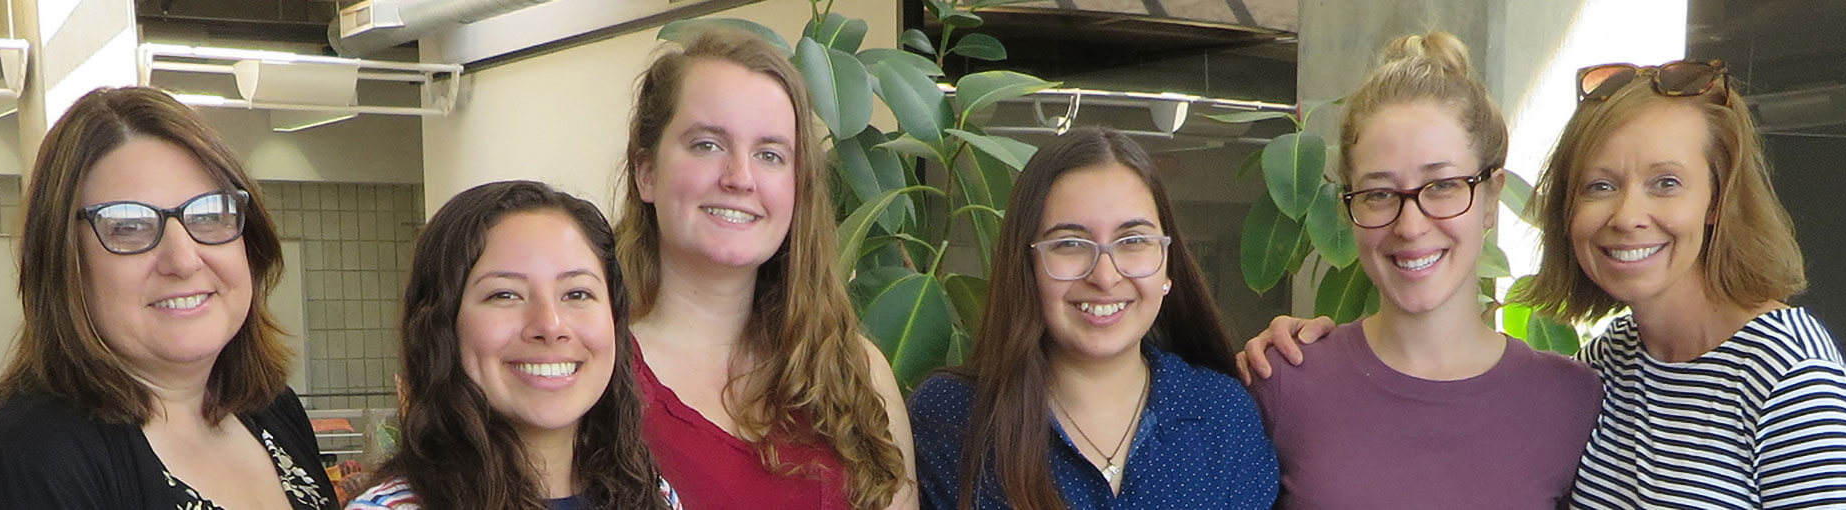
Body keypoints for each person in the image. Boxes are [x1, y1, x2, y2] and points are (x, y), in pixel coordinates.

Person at [1241, 57, 1846, 508]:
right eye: (1599, 186)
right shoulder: (1608, 367)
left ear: (1717, 199)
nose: (1628, 215)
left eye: (1666, 182)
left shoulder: (1790, 375)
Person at [1239, 32, 1601, 508]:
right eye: (1379, 193)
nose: (1410, 226)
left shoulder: (1572, 401)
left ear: (1491, 198)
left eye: (1443, 186)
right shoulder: (1282, 381)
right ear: (1348, 207)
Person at [0, 86, 332, 509]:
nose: (183, 260)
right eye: (128, 226)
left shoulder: (272, 410)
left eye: (210, 214)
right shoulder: (21, 467)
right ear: (67, 263)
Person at [615, 29, 916, 509]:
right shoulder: (595, 374)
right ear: (646, 171)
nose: (740, 178)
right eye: (707, 145)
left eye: (770, 155)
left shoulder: (853, 374)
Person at [907, 126, 1280, 509]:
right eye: (1070, 244)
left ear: (1169, 268)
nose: (1104, 276)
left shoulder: (1222, 415)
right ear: (1028, 265)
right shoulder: (951, 419)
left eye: (1134, 240)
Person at [344, 180, 681, 509]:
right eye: (505, 294)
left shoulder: (654, 497)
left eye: (577, 293)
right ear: (440, 325)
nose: (550, 325)